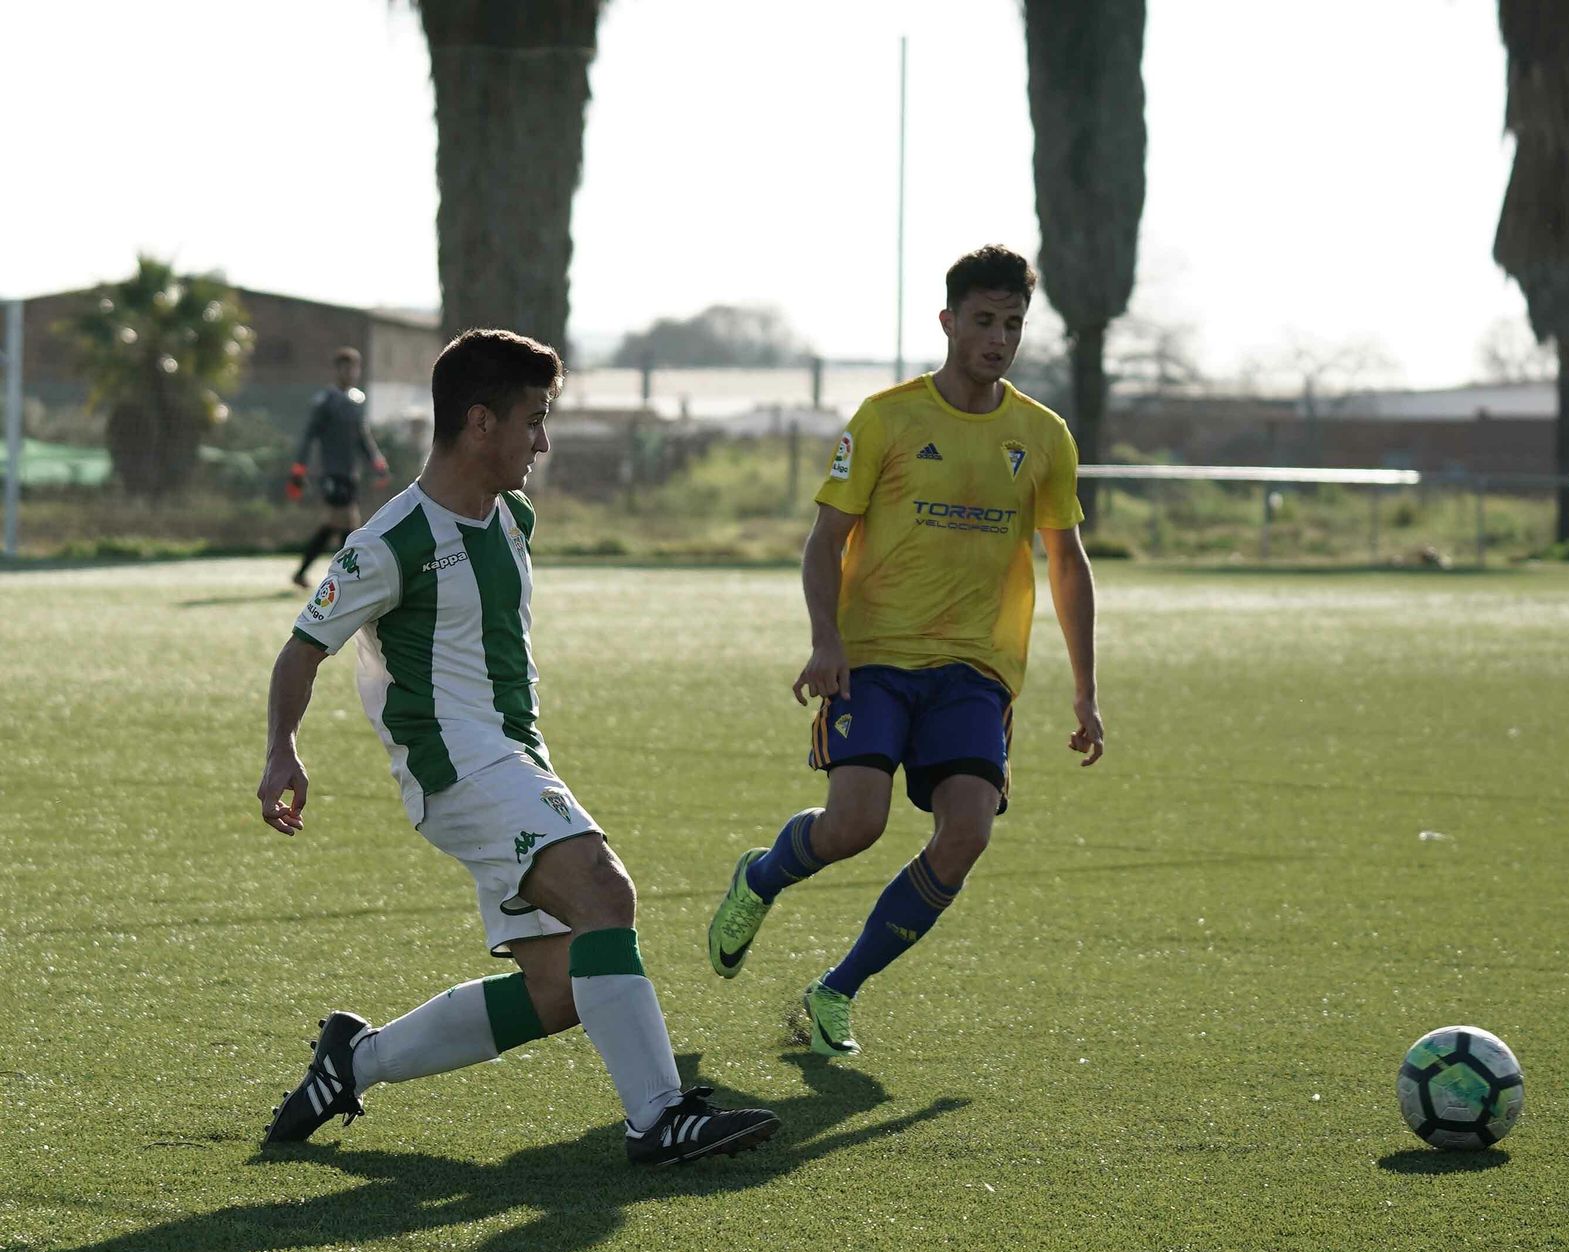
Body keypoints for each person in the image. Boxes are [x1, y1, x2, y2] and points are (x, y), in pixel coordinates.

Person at [259, 328, 779, 1167]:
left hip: (514, 758)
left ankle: (354, 1059)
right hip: (460, 770)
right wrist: (282, 749)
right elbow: (301, 648)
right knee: (606, 893)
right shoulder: (389, 543)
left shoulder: (511, 515)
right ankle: (659, 1114)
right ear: (478, 423)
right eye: (533, 420)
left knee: (557, 989)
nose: (543, 441)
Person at [708, 245, 1104, 1057]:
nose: (998, 339)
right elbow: (824, 542)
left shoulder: (1043, 434)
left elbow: (1067, 562)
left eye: (1013, 325)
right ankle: (762, 876)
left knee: (966, 834)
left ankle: (835, 991)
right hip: (875, 655)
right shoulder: (886, 417)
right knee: (855, 822)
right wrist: (825, 639)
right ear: (949, 322)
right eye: (985, 321)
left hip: (975, 670)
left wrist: (1085, 692)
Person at [288, 346, 390, 589]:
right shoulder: (326, 401)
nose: (350, 372)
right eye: (345, 367)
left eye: (354, 367)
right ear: (337, 370)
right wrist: (299, 468)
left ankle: (305, 573)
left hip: (350, 473)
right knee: (347, 521)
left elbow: (363, 436)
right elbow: (308, 437)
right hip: (331, 472)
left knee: (338, 523)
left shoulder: (356, 399)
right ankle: (349, 576)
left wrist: (377, 461)